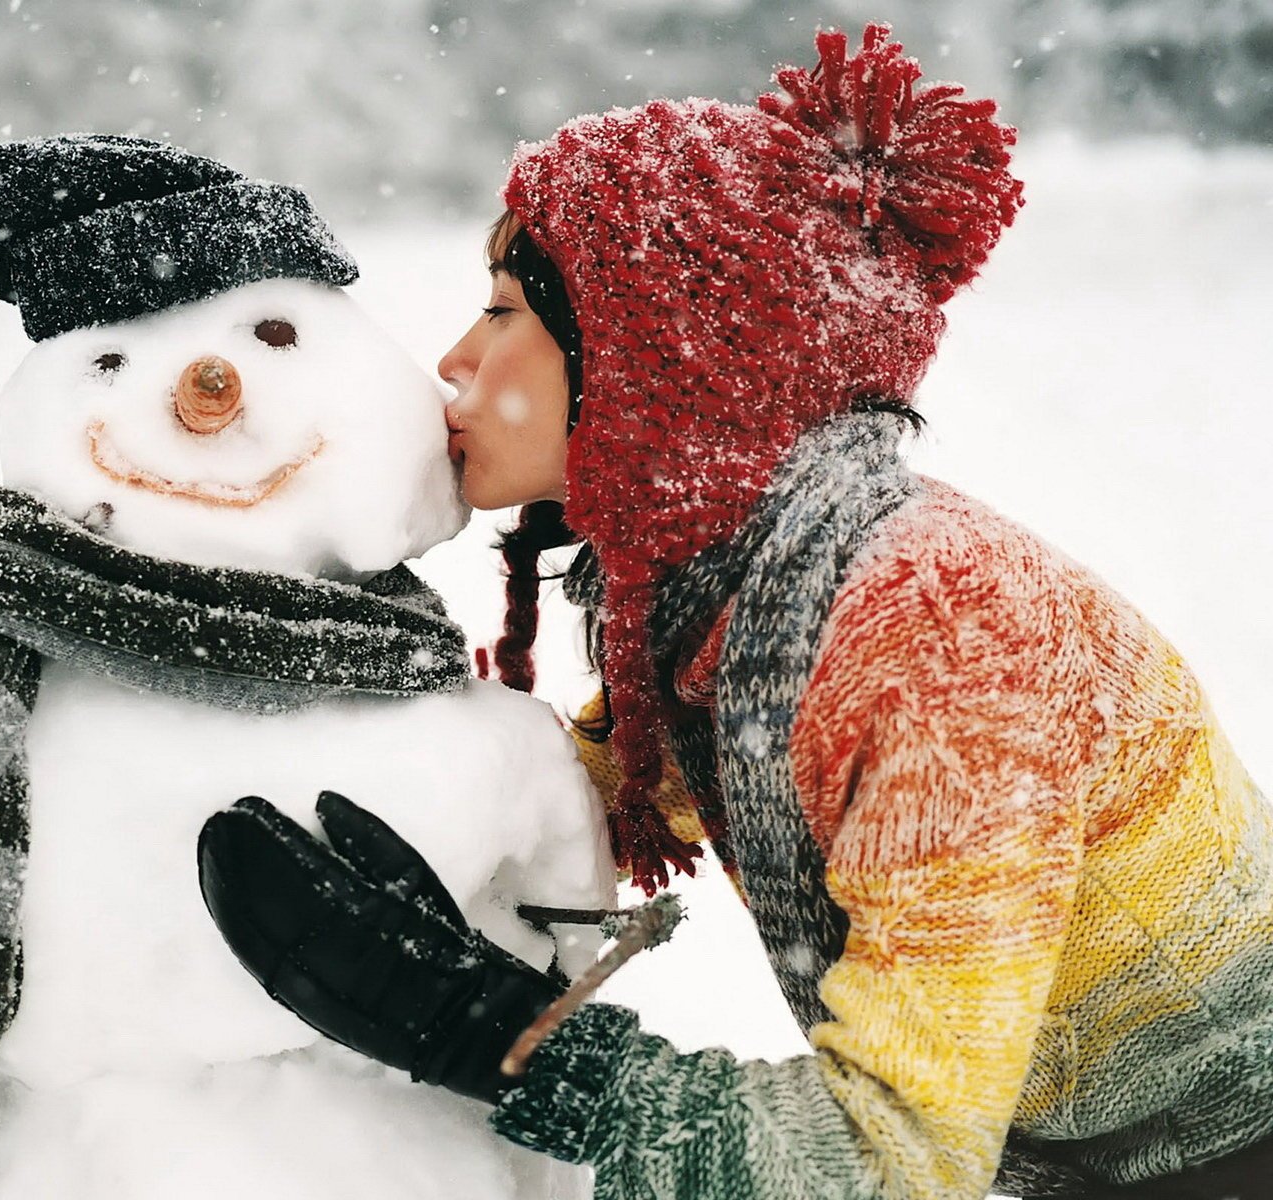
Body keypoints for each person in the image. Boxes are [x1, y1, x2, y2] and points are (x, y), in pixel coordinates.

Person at [196, 24, 1273, 1200]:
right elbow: (594, 797)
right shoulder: (735, 601)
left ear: (658, 359)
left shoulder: (934, 639)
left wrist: (486, 1036)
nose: (454, 359)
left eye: (506, 309)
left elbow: (885, 1161)